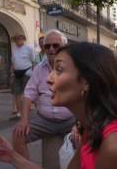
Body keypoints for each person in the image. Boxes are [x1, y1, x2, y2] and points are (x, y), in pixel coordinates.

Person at [0, 42, 117, 169]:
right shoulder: (93, 128)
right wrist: (12, 156)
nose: (49, 78)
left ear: (87, 81)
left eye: (59, 70)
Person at [12, 29, 75, 160]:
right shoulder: (39, 69)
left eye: (56, 45)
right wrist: (24, 119)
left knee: (90, 138)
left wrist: (79, 124)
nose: (51, 49)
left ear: (65, 47)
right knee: (17, 135)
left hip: (70, 121)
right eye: (47, 46)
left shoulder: (75, 68)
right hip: (44, 121)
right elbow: (29, 93)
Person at [11, 34, 35, 119]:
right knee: (16, 93)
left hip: (26, 72)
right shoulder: (14, 50)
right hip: (17, 73)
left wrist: (33, 74)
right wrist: (12, 73)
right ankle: (19, 112)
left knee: (24, 93)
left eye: (20, 38)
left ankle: (25, 111)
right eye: (17, 39)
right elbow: (13, 62)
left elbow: (33, 61)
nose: (18, 40)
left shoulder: (29, 49)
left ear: (23, 39)